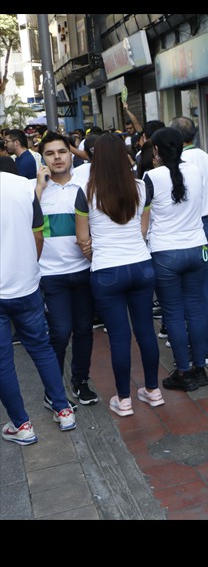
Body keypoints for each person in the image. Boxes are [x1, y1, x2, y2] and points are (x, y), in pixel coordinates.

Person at [75, 133, 163, 416]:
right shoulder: (141, 187)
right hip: (141, 265)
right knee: (146, 331)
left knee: (119, 337)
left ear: (96, 159)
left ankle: (124, 400)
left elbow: (82, 239)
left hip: (106, 270)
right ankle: (153, 390)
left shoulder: (86, 192)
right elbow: (143, 229)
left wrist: (97, 256)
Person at [1, 171, 77, 444]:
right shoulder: (23, 186)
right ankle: (63, 409)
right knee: (41, 348)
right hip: (26, 285)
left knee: (3, 361)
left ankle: (21, 425)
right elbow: (39, 235)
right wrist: (29, 268)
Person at [143, 127, 208, 392]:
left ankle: (183, 371)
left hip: (165, 252)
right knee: (196, 309)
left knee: (173, 313)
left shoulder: (151, 176)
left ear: (156, 150)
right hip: (197, 248)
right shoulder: (194, 170)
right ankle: (200, 368)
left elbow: (144, 214)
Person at [33, 132, 98, 407]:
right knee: (59, 333)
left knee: (84, 330)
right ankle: (53, 391)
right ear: (42, 159)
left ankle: (80, 382)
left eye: (61, 152)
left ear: (71, 155)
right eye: (50, 153)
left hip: (84, 271)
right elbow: (25, 225)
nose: (57, 157)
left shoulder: (86, 186)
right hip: (50, 275)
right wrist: (38, 189)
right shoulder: (33, 189)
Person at [170, 116, 208, 364]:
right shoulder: (204, 156)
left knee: (196, 291)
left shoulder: (185, 160)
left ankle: (205, 348)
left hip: (194, 227)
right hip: (207, 223)